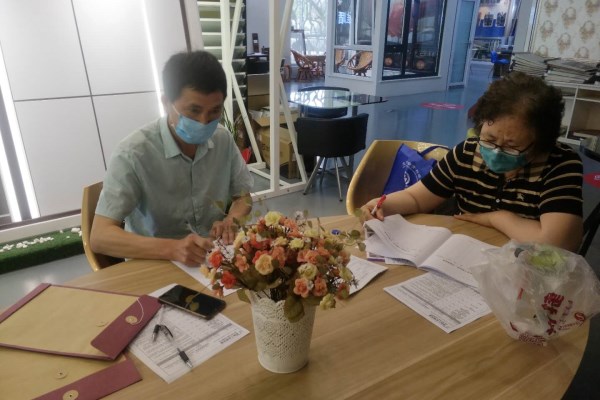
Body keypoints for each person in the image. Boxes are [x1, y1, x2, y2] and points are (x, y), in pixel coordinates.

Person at [361, 72, 583, 252]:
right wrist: (382, 205)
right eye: (489, 139)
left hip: (523, 270)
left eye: (512, 146)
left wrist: (497, 218)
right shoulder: (468, 152)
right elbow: (416, 198)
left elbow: (556, 244)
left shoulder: (559, 165)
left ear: (541, 143)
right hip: (464, 255)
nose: (496, 151)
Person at [91, 50, 253, 266]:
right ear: (166, 103)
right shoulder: (133, 154)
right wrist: (172, 248)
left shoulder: (222, 139)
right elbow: (100, 237)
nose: (204, 122)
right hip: (155, 261)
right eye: (193, 111)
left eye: (214, 111)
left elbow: (243, 197)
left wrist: (231, 220)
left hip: (213, 257)